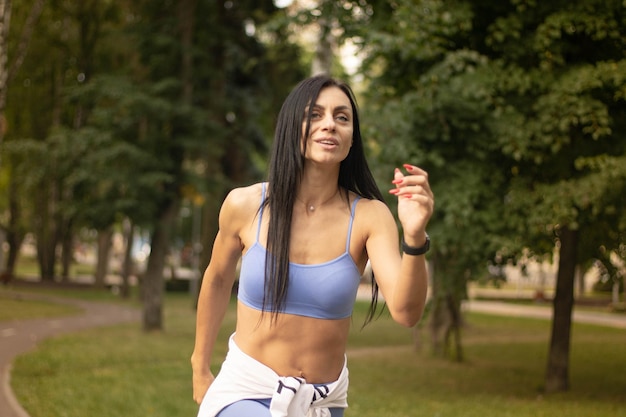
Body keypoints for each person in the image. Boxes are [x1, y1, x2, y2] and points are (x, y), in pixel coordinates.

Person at [191, 74, 434, 417]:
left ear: (352, 139)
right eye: (314, 115)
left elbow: (407, 313)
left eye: (342, 117)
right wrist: (200, 367)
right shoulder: (244, 205)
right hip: (245, 390)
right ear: (293, 127)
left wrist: (414, 236)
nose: (329, 125)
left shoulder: (370, 217)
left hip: (321, 403)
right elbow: (216, 280)